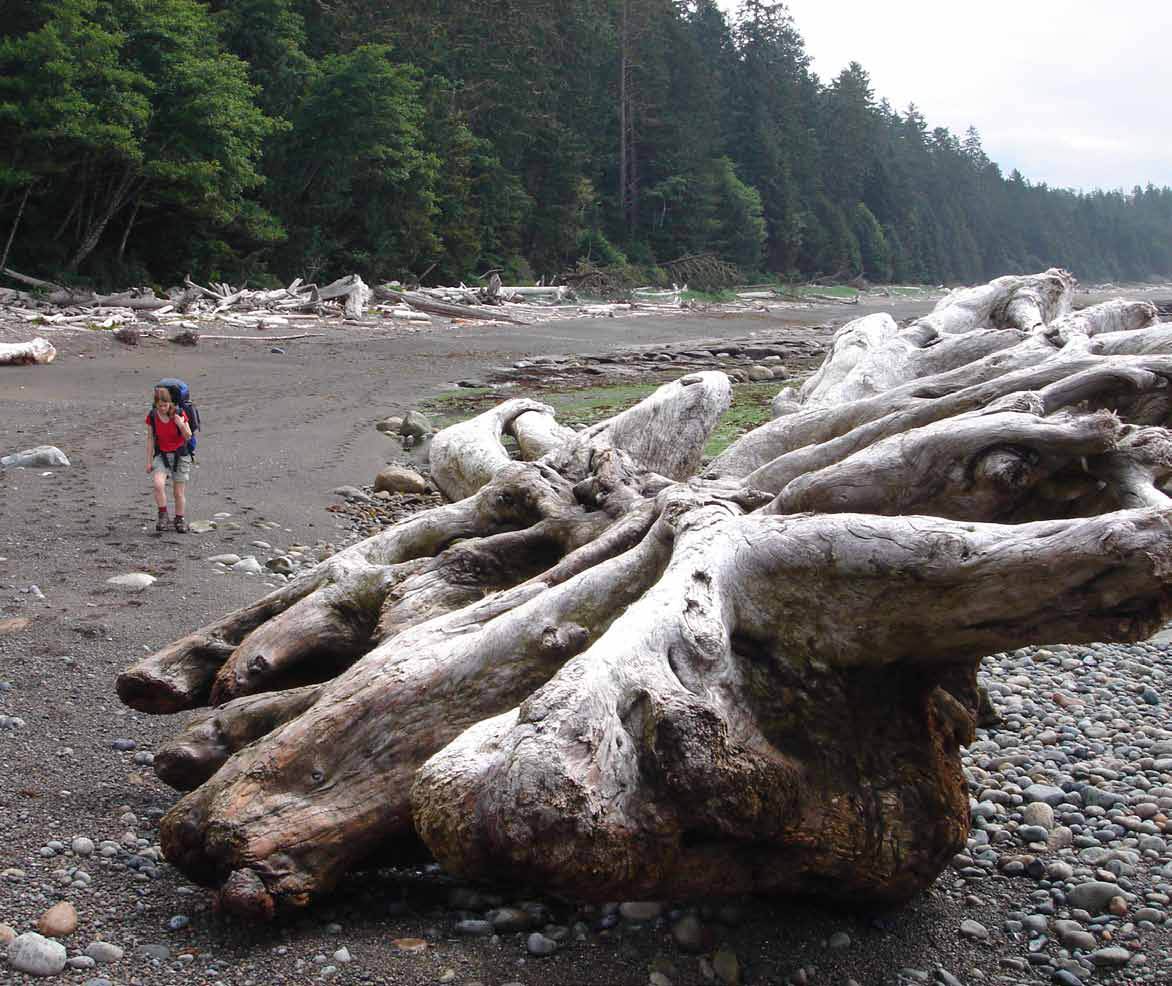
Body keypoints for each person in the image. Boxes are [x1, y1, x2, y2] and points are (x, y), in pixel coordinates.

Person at [146, 385, 193, 532]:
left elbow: (188, 436)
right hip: (162, 455)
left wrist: (180, 424)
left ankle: (179, 519)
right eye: (160, 406)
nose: (162, 408)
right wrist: (148, 461)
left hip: (180, 455)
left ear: (170, 403)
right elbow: (150, 439)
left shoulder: (179, 413)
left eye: (165, 405)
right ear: (156, 404)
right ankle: (163, 516)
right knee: (158, 485)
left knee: (178, 493)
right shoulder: (152, 416)